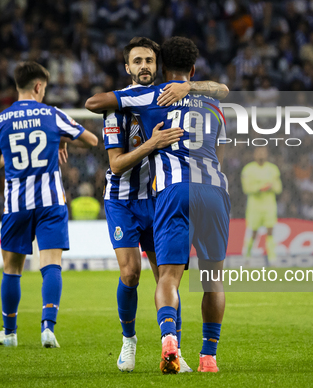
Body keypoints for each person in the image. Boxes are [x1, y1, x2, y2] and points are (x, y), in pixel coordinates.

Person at [86, 36, 230, 374]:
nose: (145, 67)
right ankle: (207, 358)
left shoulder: (154, 95)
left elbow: (95, 101)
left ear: (161, 66)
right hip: (205, 191)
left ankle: (170, 344)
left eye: (149, 61)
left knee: (167, 277)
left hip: (168, 193)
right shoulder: (214, 104)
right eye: (137, 62)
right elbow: (220, 149)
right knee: (210, 279)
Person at [0, 61, 98, 348]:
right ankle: (48, 328)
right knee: (51, 265)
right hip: (51, 202)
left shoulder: (1, 119)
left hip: (16, 203)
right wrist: (61, 140)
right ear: (39, 87)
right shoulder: (52, 115)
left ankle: (9, 333)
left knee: (12, 269)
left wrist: (9, 155)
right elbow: (91, 140)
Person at [241, 147, 282, 265]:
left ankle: (272, 259)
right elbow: (246, 188)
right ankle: (247, 256)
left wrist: (270, 186)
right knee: (253, 232)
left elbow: (278, 188)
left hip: (269, 205)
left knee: (270, 232)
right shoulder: (248, 169)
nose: (261, 154)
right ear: (254, 154)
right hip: (254, 206)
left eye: (264, 152)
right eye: (259, 152)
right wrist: (261, 187)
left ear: (267, 154)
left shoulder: (273, 169)